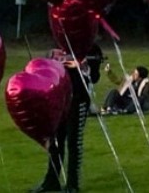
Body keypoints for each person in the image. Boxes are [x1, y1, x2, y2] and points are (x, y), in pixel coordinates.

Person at [31, 42, 101, 193]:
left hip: (78, 99)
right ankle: (51, 181)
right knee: (55, 142)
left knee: (74, 143)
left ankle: (72, 184)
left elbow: (95, 77)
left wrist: (82, 66)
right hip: (58, 99)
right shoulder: (56, 46)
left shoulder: (90, 47)